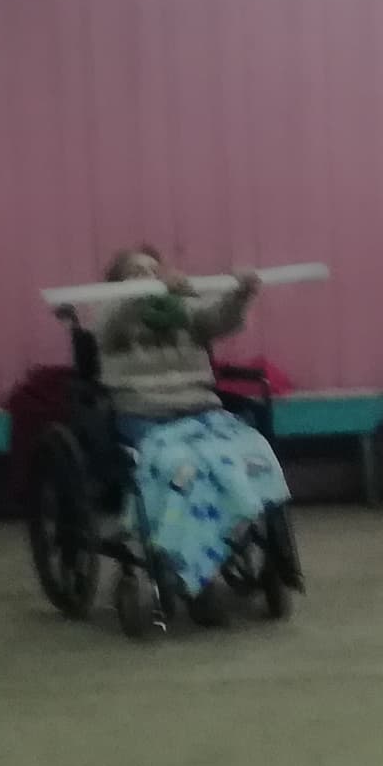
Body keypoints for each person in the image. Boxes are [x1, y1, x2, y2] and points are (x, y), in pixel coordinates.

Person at [88, 248, 290, 623]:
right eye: (135, 272)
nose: (147, 276)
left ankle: (226, 543)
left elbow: (219, 319)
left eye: (152, 269)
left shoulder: (181, 307)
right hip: (144, 414)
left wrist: (241, 293)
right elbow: (108, 325)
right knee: (183, 468)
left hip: (200, 409)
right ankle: (195, 577)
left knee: (252, 453)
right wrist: (143, 293)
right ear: (117, 283)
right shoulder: (111, 316)